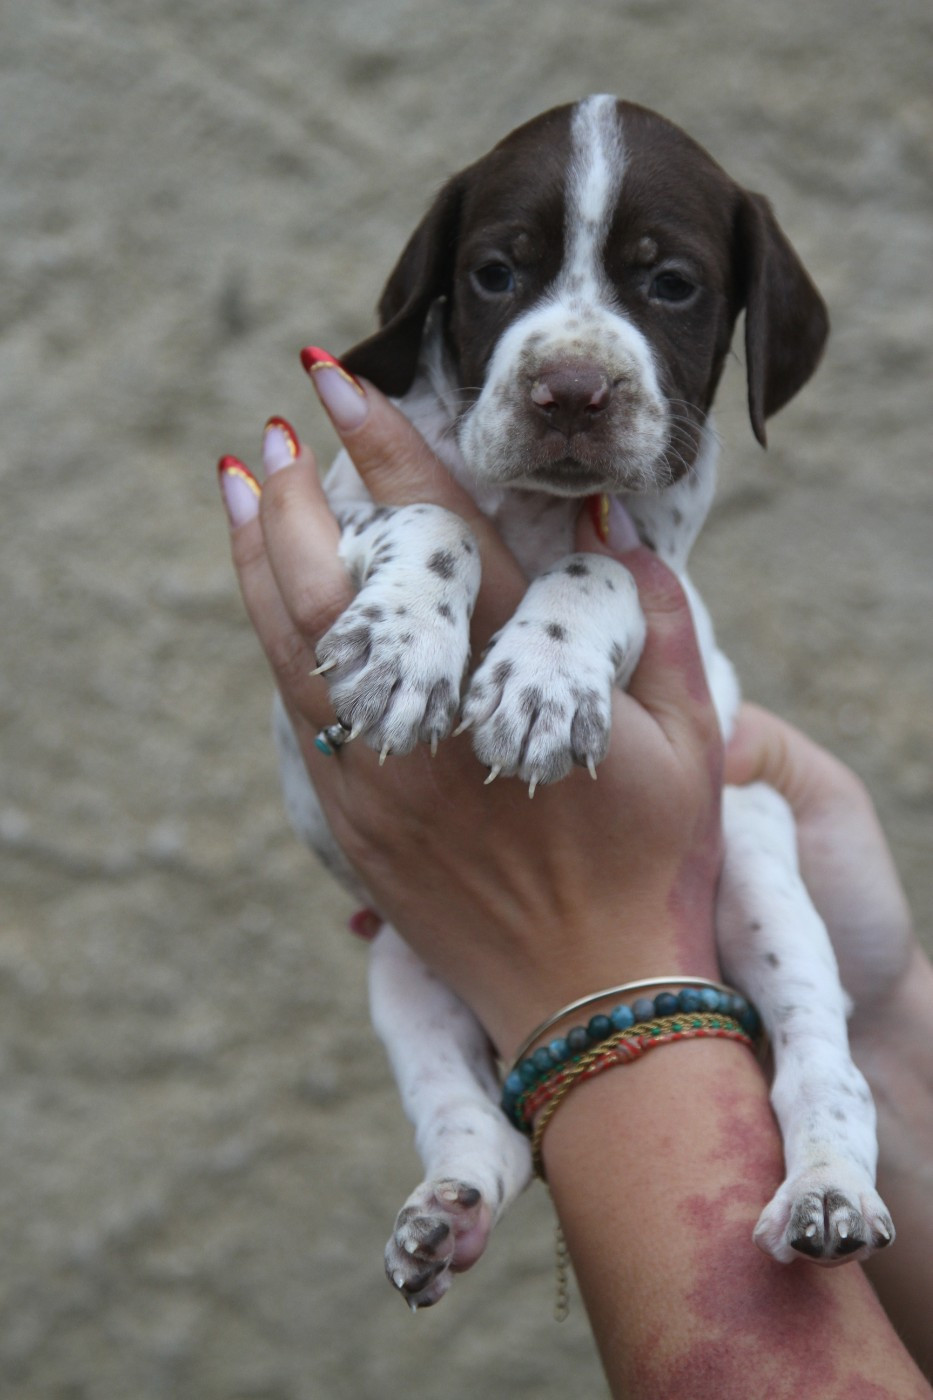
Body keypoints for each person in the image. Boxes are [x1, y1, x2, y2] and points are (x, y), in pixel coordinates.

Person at [217, 357, 933, 1398]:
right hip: (583, 904)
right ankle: (470, 1151)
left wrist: (585, 980)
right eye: (499, 279)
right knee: (404, 967)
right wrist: (895, 1009)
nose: (572, 370)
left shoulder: (632, 519)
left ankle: (831, 1138)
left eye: (669, 286)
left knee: (752, 832)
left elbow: (640, 577)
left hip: (684, 848)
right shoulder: (432, 432)